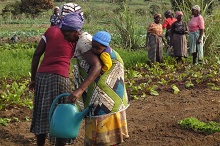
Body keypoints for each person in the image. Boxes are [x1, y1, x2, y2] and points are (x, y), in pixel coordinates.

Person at [59, 12, 129, 146]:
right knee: (104, 133)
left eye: (66, 33)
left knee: (102, 132)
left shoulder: (83, 43)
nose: (64, 36)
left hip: (105, 91)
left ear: (75, 31)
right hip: (109, 90)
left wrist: (80, 89)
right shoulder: (83, 40)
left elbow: (97, 66)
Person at [29, 3, 83, 146]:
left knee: (42, 111)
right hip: (61, 77)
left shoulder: (51, 30)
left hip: (42, 76)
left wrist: (33, 79)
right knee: (62, 112)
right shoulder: (76, 35)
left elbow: (36, 55)